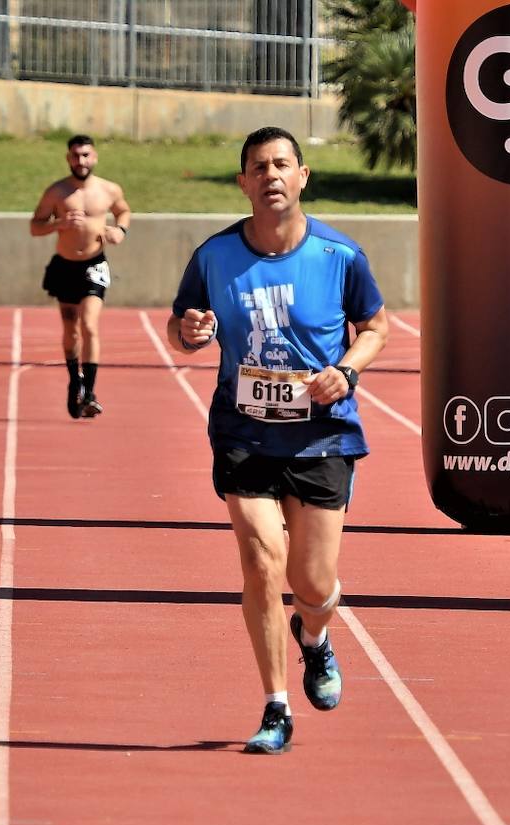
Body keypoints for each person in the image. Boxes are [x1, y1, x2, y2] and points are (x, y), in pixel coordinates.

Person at [167, 126, 388, 755]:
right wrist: (192, 330)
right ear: (243, 182)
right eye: (258, 167)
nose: (271, 176)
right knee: (261, 562)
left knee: (314, 584)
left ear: (302, 176)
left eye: (281, 165)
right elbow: (183, 327)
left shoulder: (339, 255)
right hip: (244, 434)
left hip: (323, 436)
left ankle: (314, 637)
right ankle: (275, 704)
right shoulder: (214, 257)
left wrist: (345, 370)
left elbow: (375, 326)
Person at [30, 134, 131, 419]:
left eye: (86, 155)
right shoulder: (57, 192)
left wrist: (120, 231)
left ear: (95, 157)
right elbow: (35, 226)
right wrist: (58, 224)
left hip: (94, 265)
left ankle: (90, 392)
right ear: (68, 158)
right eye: (75, 155)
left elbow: (123, 211)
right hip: (64, 267)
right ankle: (75, 380)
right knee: (71, 328)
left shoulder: (108, 189)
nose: (81, 161)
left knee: (89, 324)